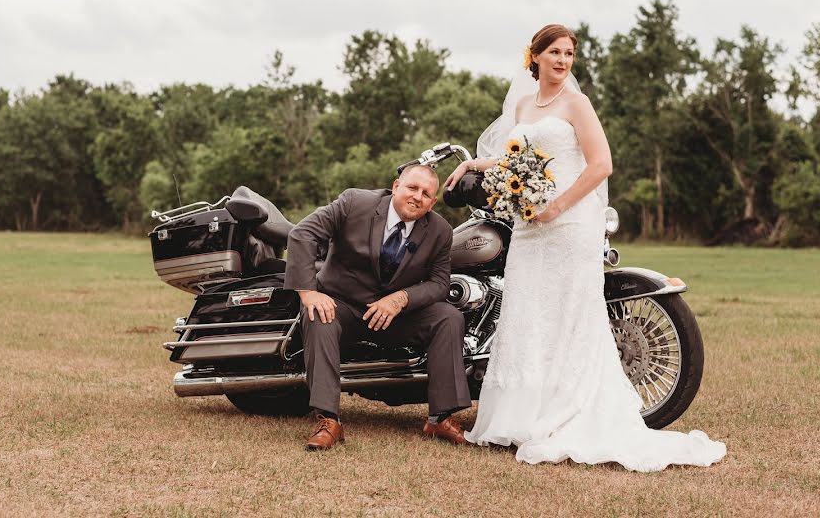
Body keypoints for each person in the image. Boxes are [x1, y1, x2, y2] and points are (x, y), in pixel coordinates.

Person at [443, 24, 726, 471]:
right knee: (527, 311)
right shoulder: (522, 104)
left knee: (569, 313)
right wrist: (476, 164)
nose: (562, 60)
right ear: (533, 57)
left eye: (569, 53)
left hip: (570, 223)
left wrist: (557, 206)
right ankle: (521, 417)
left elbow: (601, 165)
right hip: (530, 225)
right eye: (554, 52)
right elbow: (516, 160)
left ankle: (568, 411)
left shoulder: (578, 104)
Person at [285, 165, 471, 450]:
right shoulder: (354, 202)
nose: (417, 197)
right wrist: (309, 293)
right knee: (318, 315)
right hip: (342, 306)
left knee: (448, 317)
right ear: (396, 186)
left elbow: (439, 283)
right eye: (412, 188)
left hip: (394, 317)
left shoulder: (440, 231)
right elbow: (303, 234)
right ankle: (329, 420)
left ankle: (439, 419)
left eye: (426, 194)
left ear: (433, 202)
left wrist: (400, 299)